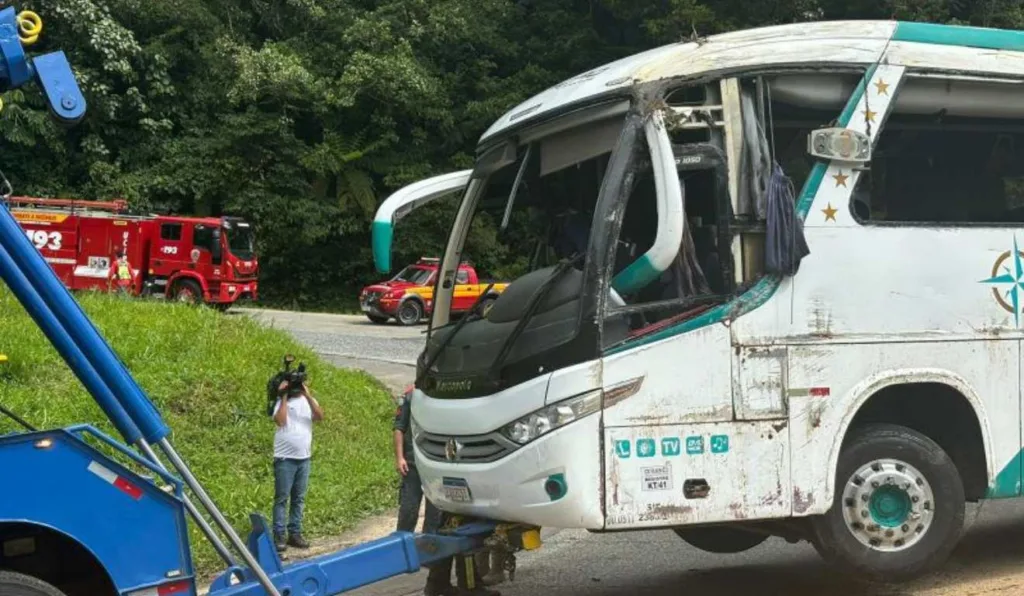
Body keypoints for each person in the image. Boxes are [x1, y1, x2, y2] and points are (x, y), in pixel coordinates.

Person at [393, 388, 499, 596]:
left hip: (443, 467)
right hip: (438, 467)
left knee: (442, 524)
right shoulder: (415, 398)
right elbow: (399, 427)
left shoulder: (443, 398)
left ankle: (437, 581)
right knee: (459, 525)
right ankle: (467, 584)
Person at [271, 369, 324, 552]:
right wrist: (284, 396)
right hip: (285, 458)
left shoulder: (307, 402)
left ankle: (295, 533)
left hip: (304, 458)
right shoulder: (279, 402)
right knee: (282, 498)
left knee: (299, 498)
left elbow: (319, 416)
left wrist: (307, 395)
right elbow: (280, 421)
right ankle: (279, 535)